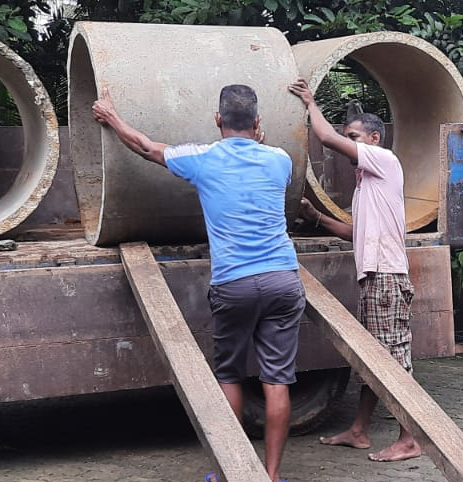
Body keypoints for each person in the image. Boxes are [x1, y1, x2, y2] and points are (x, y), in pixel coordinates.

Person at [92, 85, 304, 482]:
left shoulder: (203, 158)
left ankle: (230, 474)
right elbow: (262, 160)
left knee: (229, 376)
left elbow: (145, 147)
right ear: (258, 123)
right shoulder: (280, 159)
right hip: (282, 278)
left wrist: (112, 117)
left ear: (217, 120)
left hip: (234, 283)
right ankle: (272, 477)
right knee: (277, 382)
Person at [288, 78, 420, 463]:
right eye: (350, 136)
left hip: (386, 276)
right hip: (375, 275)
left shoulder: (384, 160)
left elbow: (326, 138)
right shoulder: (367, 185)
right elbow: (355, 232)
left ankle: (410, 438)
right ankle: (359, 431)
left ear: (374, 138)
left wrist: (311, 103)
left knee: (392, 360)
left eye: (355, 136)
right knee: (374, 358)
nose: (349, 142)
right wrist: (318, 218)